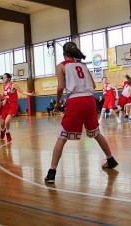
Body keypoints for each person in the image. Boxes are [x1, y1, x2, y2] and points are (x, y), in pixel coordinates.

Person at [44, 42, 118, 183]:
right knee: (96, 133)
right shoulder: (83, 66)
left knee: (62, 136)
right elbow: (94, 85)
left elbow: (60, 87)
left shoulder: (61, 66)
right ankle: (110, 159)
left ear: (64, 53)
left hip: (75, 101)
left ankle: (52, 172)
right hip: (89, 99)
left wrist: (58, 102)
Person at [0, 73, 36, 142]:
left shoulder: (13, 85)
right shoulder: (4, 86)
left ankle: (7, 132)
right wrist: (4, 100)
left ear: (9, 78)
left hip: (12, 106)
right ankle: (2, 130)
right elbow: (5, 96)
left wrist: (31, 94)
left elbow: (22, 92)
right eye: (3, 78)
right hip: (5, 106)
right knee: (2, 123)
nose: (3, 79)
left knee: (7, 121)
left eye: (5, 77)